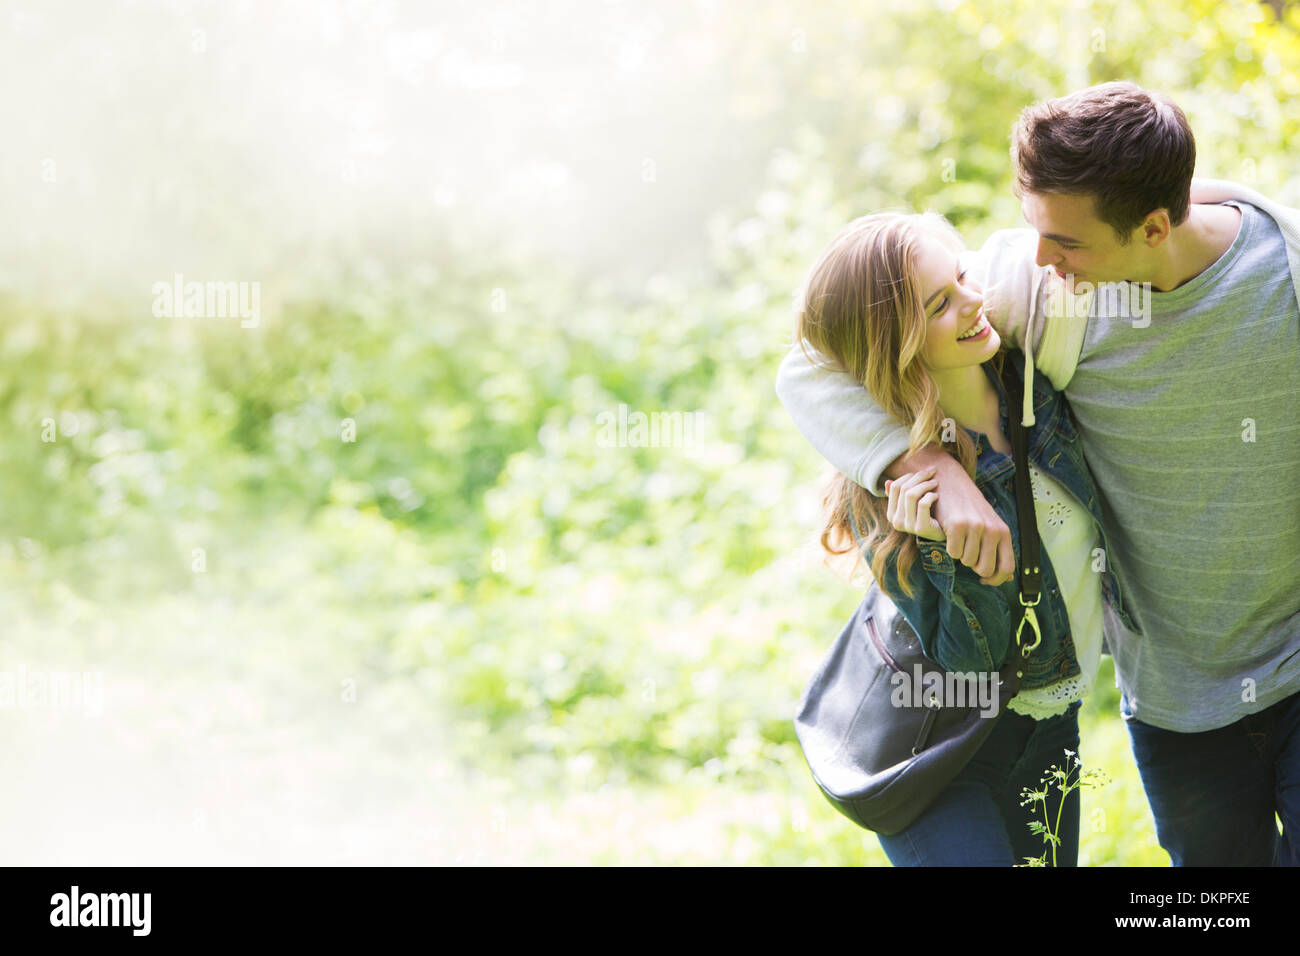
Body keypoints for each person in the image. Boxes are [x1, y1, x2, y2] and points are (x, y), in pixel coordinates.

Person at [777, 81, 1300, 866]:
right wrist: (925, 466)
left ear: (1156, 224)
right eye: (1034, 231)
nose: (1038, 259)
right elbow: (813, 364)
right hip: (1176, 706)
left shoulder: (1285, 271)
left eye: (1066, 241)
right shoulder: (1044, 292)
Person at [795, 209, 1113, 865]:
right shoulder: (886, 489)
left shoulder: (1038, 386)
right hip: (939, 750)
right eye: (941, 304)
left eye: (963, 276)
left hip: (1053, 731)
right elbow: (968, 666)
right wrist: (951, 558)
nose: (974, 301)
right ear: (898, 345)